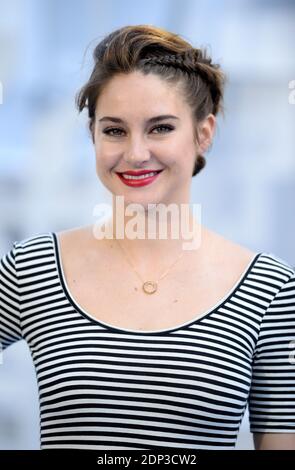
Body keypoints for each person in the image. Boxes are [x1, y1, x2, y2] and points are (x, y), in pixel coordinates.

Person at [0, 24, 295, 451]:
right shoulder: (34, 267)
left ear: (203, 133)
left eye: (160, 128)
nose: (136, 153)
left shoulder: (270, 288)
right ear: (94, 135)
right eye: (114, 130)